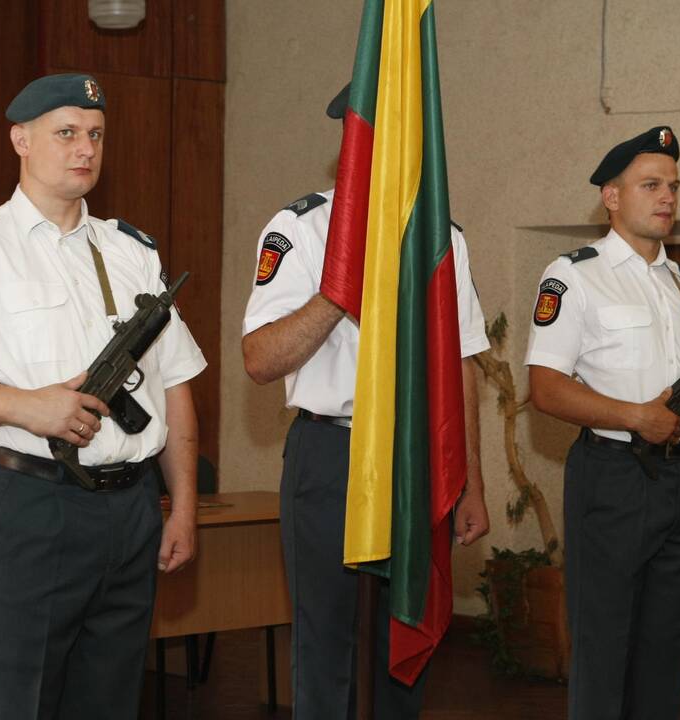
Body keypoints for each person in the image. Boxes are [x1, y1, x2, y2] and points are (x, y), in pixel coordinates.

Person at [0, 73, 206, 719]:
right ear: (20, 139)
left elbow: (174, 385)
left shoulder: (130, 251)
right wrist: (26, 405)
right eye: (66, 133)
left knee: (111, 700)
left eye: (95, 135)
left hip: (132, 509)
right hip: (36, 504)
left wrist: (183, 508)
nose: (84, 148)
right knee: (21, 703)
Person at [240, 86, 491, 720]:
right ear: (350, 137)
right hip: (332, 453)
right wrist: (337, 293)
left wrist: (471, 483)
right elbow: (260, 360)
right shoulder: (299, 228)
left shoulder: (443, 237)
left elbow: (463, 362)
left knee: (406, 644)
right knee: (325, 642)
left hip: (416, 454)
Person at [524, 126, 680, 720]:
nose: (667, 196)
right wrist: (635, 417)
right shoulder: (573, 275)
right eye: (650, 184)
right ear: (611, 197)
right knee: (604, 644)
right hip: (612, 478)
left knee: (667, 649)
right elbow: (545, 388)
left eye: (673, 185)